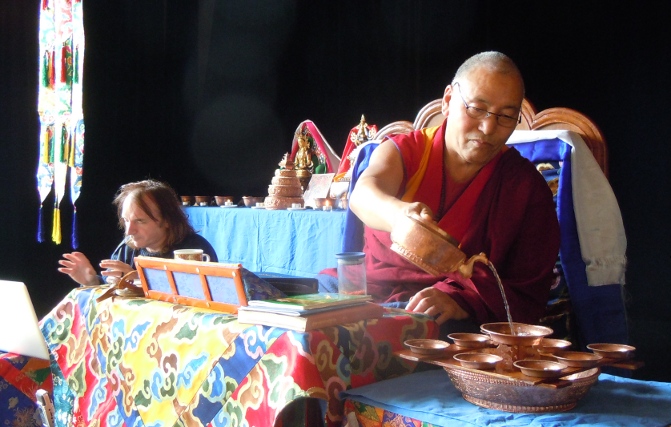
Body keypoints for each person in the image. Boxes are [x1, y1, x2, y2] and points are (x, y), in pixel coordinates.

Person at [320, 51, 560, 332]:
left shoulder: (523, 185)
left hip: (450, 313)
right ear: (448, 100)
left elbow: (528, 290)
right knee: (326, 295)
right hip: (377, 292)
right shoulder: (407, 151)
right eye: (476, 109)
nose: (488, 127)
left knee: (439, 327)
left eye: (506, 116)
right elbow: (364, 194)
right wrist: (400, 217)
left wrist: (464, 300)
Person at [58, 179, 218, 287]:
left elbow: (200, 298)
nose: (129, 231)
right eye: (126, 220)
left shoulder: (194, 250)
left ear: (168, 220)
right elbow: (113, 300)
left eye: (140, 221)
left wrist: (140, 278)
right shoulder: (127, 249)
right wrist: (92, 281)